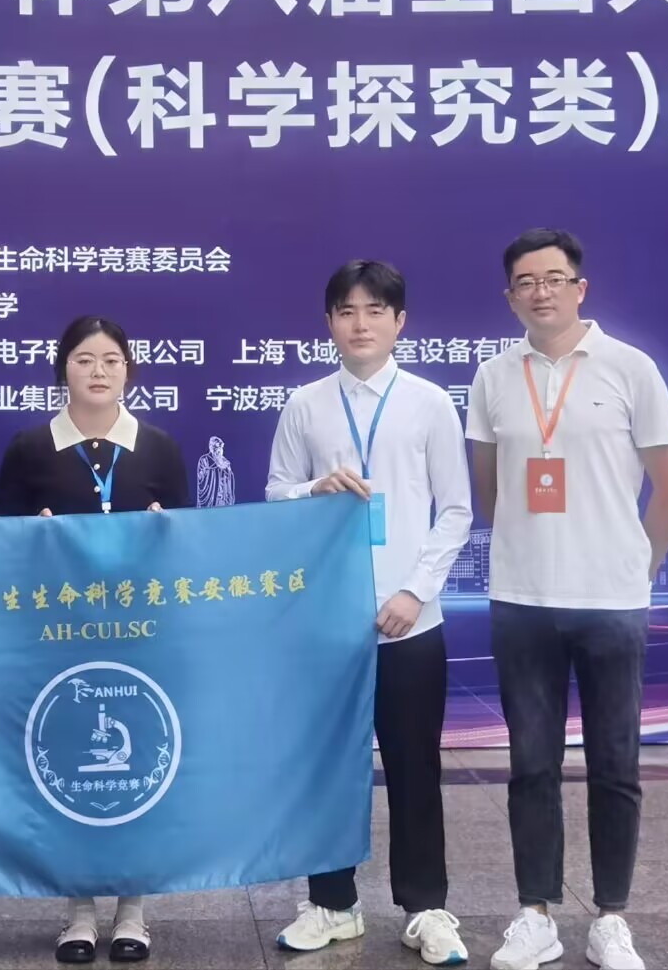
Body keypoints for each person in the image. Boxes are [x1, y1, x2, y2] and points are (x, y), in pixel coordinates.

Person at [465, 229, 668, 970]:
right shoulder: (494, 376)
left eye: (555, 278)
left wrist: (636, 569)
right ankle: (536, 914)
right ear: (510, 296)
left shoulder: (631, 368)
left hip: (611, 602)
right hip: (522, 598)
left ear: (580, 288)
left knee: (614, 764)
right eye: (526, 281)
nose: (542, 292)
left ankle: (611, 919)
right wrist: (530, 547)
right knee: (531, 763)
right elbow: (489, 489)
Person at [266, 261, 473, 968]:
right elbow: (275, 495)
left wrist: (415, 591)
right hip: (326, 620)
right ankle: (331, 903)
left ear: (399, 321)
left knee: (415, 766)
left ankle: (425, 908)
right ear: (329, 321)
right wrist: (313, 490)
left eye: (375, 310)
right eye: (347, 311)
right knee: (329, 768)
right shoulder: (305, 404)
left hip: (409, 618)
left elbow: (456, 509)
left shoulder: (429, 402)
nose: (361, 323)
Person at [0, 315, 190, 964]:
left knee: (138, 763)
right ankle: (77, 908)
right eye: (83, 359)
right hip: (59, 636)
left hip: (139, 636)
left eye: (110, 360)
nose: (98, 371)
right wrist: (33, 537)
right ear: (62, 370)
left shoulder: (158, 447)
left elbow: (190, 546)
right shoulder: (29, 448)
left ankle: (133, 907)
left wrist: (166, 532)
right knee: (69, 759)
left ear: (129, 370)